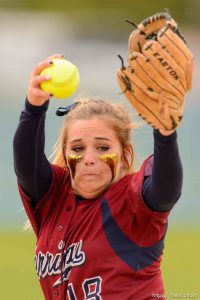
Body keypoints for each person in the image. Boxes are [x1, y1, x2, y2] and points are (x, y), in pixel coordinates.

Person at [13, 53, 183, 300]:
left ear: (124, 155)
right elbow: (26, 164)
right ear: (65, 154)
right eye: (78, 149)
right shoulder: (53, 197)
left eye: (103, 148)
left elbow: (166, 190)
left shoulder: (132, 200)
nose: (89, 158)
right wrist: (33, 107)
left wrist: (166, 134)